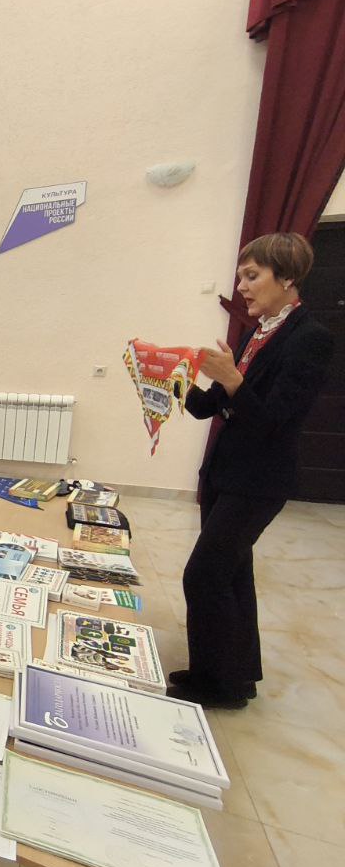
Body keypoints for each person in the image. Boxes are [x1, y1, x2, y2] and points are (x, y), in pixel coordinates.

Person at [172, 232, 334, 709]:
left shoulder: (310, 338)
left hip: (259, 481)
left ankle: (216, 683)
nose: (241, 286)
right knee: (232, 575)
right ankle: (233, 677)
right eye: (240, 276)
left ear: (286, 277)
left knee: (204, 575)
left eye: (251, 275)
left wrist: (234, 381)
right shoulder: (256, 333)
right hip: (226, 474)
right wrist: (169, 381)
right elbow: (208, 407)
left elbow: (274, 421)